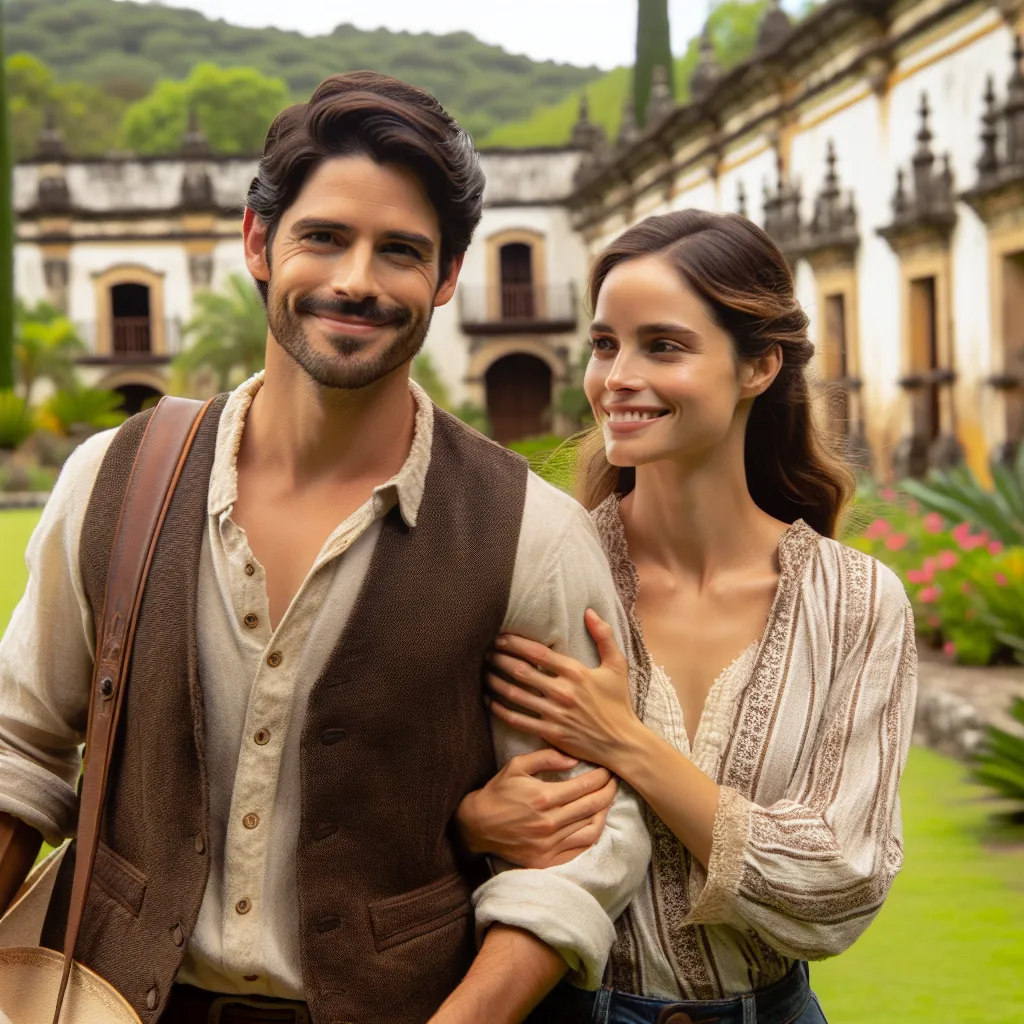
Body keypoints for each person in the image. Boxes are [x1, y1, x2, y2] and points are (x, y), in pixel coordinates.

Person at [0, 72, 652, 1024]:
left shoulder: (530, 535)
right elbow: (20, 747)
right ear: (259, 242)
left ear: (446, 276)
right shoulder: (114, 479)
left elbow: (580, 844)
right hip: (114, 1001)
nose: (356, 280)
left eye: (400, 250)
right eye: (323, 237)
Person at [457, 210, 918, 1024]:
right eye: (606, 345)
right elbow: (404, 799)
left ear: (758, 366)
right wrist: (465, 826)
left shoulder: (856, 602)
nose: (617, 378)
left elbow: (841, 877)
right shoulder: (538, 573)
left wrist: (624, 741)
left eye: (662, 346)